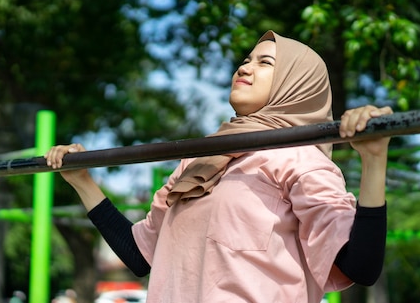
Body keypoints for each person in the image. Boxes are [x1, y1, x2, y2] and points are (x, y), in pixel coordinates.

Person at [46, 30, 393, 303]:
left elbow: (360, 266)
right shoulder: (200, 160)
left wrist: (374, 160)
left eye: (265, 63)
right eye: (246, 59)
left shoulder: (300, 158)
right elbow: (140, 256)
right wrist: (82, 182)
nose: (245, 67)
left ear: (296, 85)